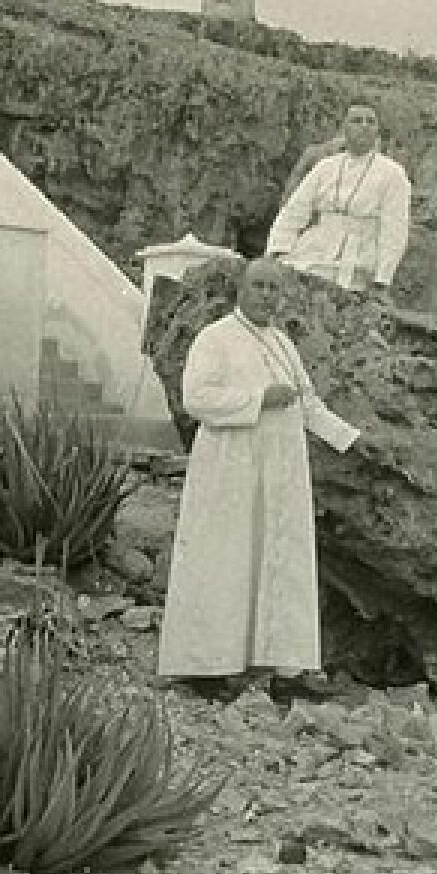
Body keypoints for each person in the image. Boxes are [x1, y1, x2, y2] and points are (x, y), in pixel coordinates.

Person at [159, 259, 360, 697]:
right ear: (241, 290)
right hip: (230, 468)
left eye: (275, 288)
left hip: (281, 471)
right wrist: (257, 398)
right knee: (225, 559)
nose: (268, 295)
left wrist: (350, 439)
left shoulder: (284, 343)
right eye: (260, 286)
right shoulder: (215, 339)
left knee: (282, 562)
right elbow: (195, 398)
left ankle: (286, 670)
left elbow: (307, 402)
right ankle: (206, 667)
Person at [265, 103, 412, 292]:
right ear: (345, 128)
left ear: (377, 131)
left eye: (371, 122)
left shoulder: (393, 173)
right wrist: (277, 250)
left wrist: (382, 278)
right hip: (315, 246)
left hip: (359, 256)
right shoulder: (325, 166)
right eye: (357, 121)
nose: (364, 126)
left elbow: (394, 230)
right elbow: (294, 211)